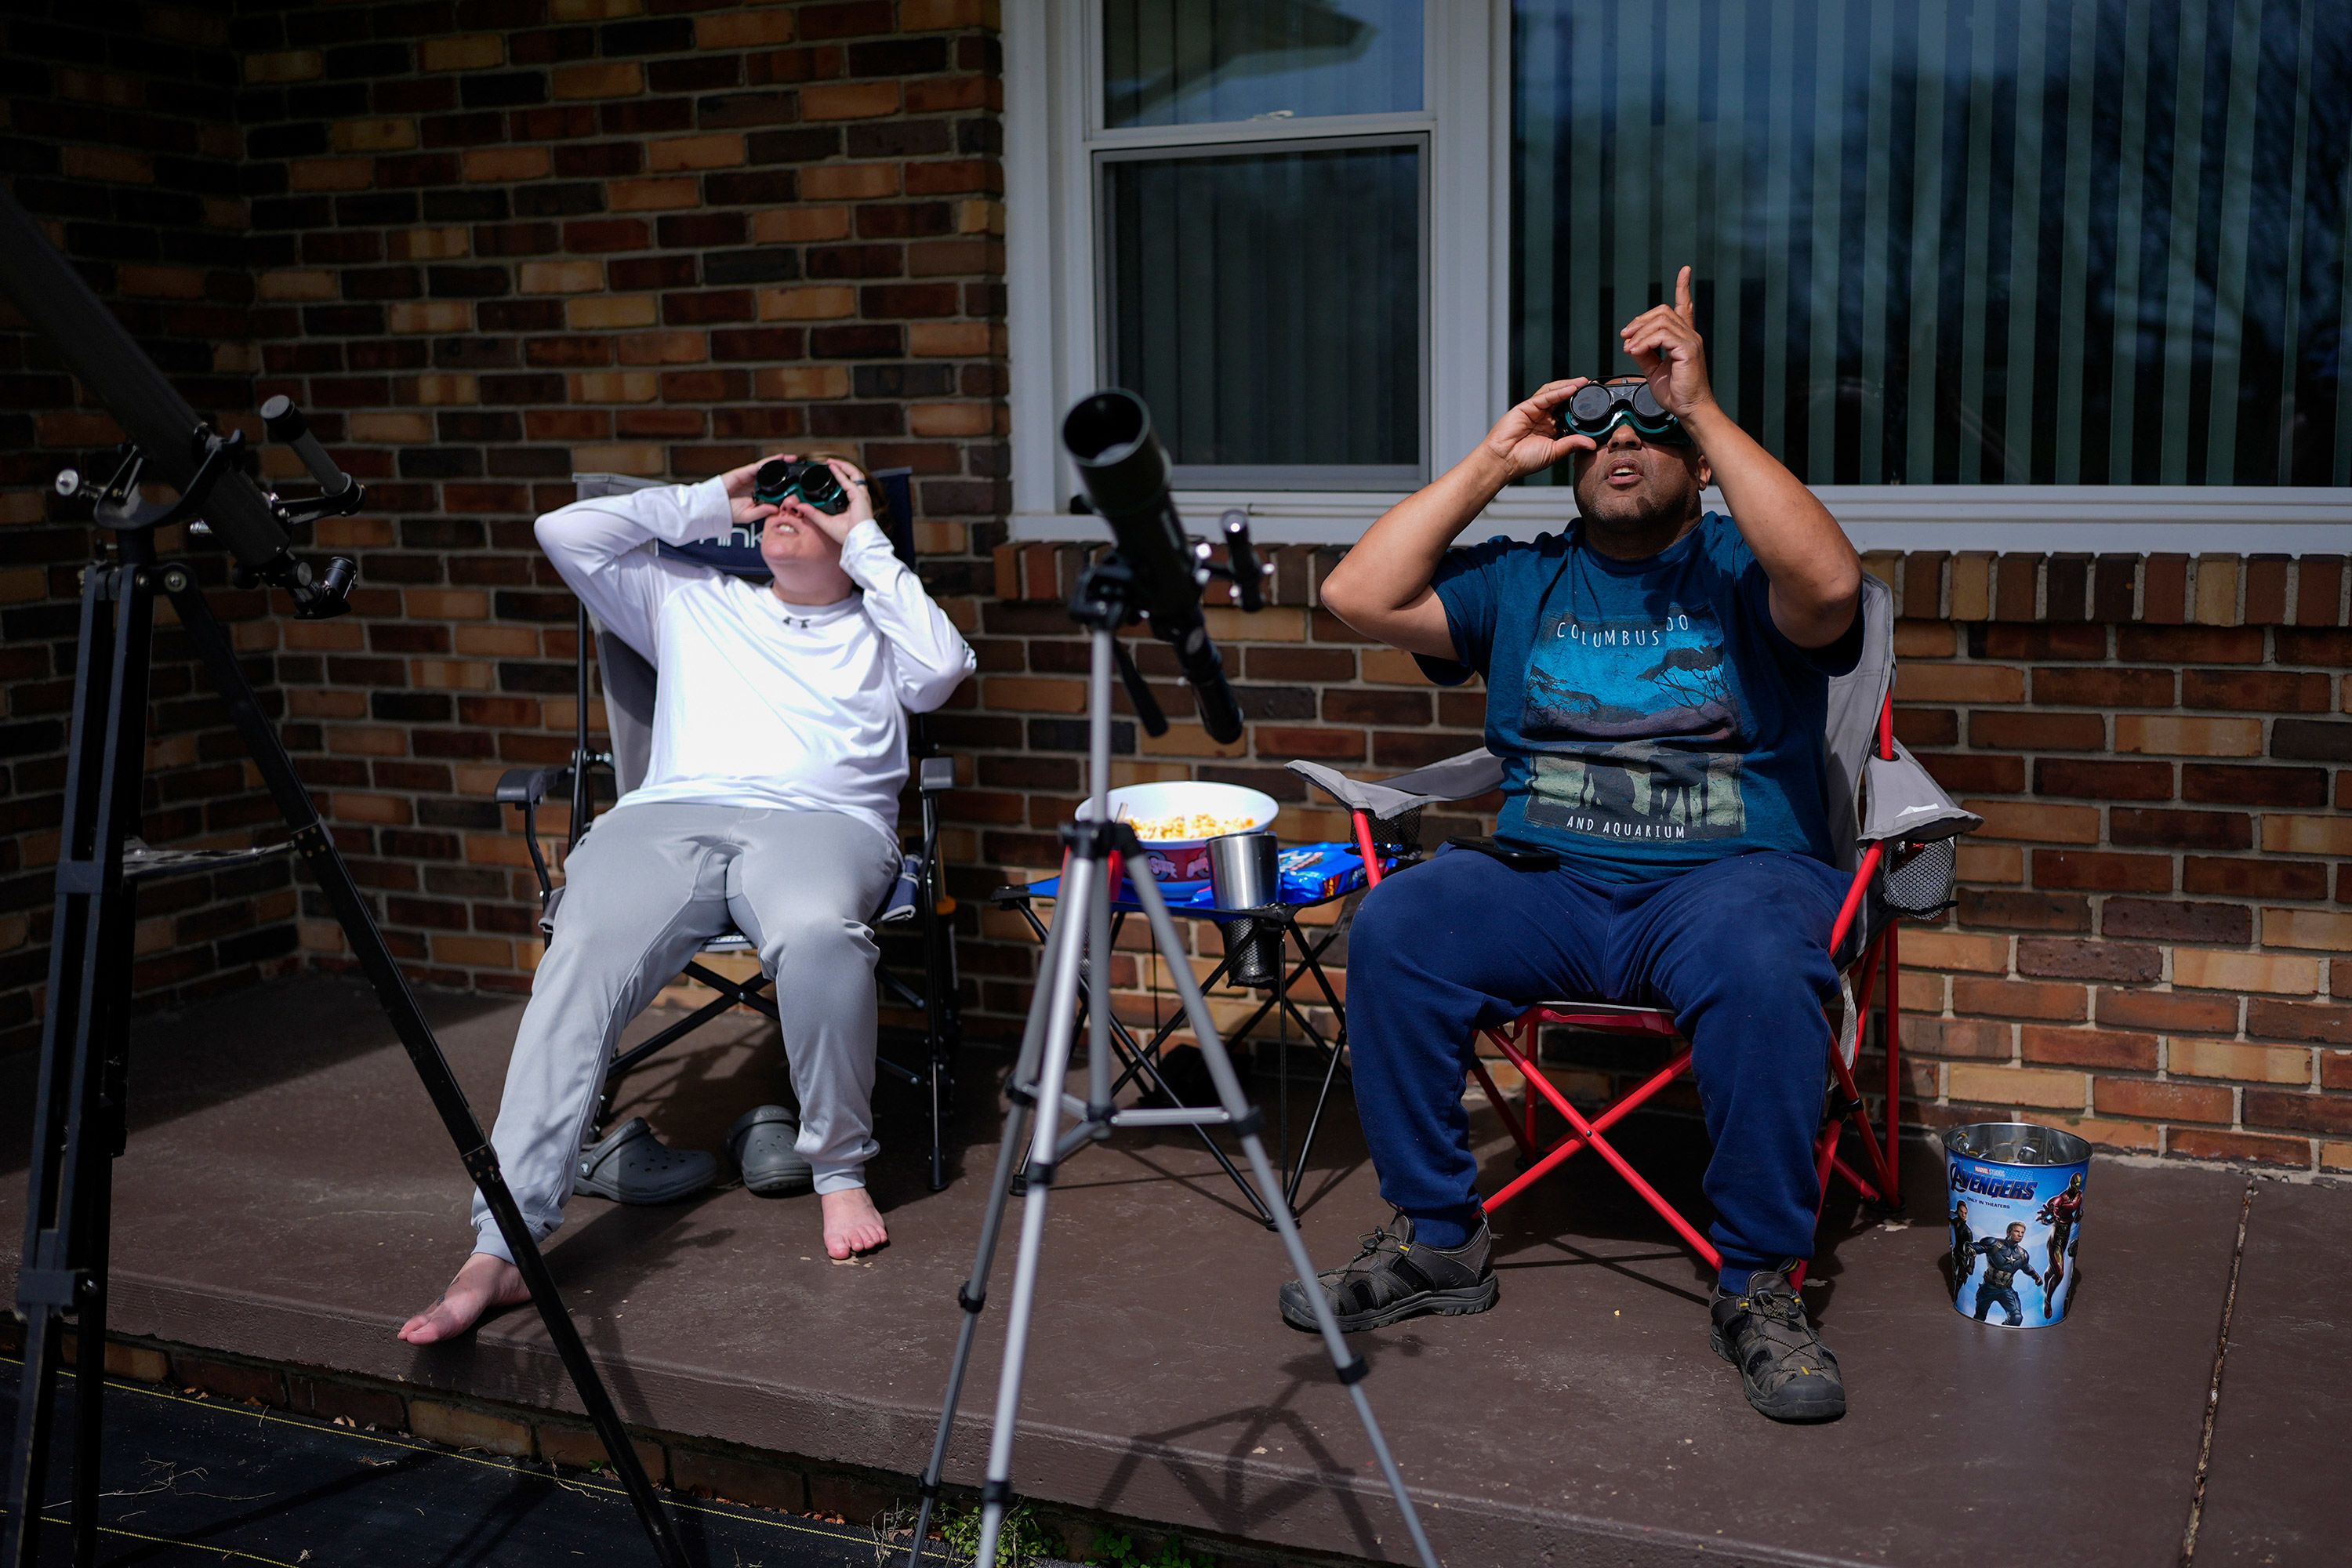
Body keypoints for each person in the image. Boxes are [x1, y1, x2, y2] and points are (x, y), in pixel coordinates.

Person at [1283, 267, 1867, 1423]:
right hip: (1548, 881)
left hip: (1728, 880)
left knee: (1762, 969)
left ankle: (1759, 1282)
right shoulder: (1522, 580)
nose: (1619, 437)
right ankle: (1443, 1242)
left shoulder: (1744, 571)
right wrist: (1495, 461)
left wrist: (1697, 403)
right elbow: (1355, 593)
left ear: (1697, 466)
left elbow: (1834, 584)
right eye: (1598, 422)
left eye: (1649, 425)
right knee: (1399, 922)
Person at [399, 453, 975, 1345]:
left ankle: (837, 1165)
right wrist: (717, 499)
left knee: (820, 932)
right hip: (667, 819)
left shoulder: (882, 625)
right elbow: (564, 531)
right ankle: (502, 1244)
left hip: (822, 825)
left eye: (817, 496)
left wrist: (862, 534)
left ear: (860, 532)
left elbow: (943, 669)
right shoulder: (688, 596)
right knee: (579, 956)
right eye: (777, 496)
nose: (790, 505)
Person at [1971, 1223, 2042, 1325]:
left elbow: (2026, 1267)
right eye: (2017, 1231)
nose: (2020, 1235)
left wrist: (2036, 1277)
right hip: (1988, 1288)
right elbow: (1977, 1247)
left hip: (2006, 1290)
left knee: (2017, 1318)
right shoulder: (1994, 1244)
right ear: (2009, 1232)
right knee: (1979, 1317)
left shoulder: (2022, 1254)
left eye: (2022, 1233)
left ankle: (2007, 1336)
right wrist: (1970, 1249)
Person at [2037, 1173, 2084, 1312]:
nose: (2076, 1188)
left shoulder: (2079, 1197)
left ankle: (2047, 1284)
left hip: (2066, 1238)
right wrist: (2050, 1216)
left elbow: (2075, 1217)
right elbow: (2049, 1214)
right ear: (2070, 1184)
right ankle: (2048, 1302)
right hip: (2055, 1241)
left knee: (2053, 1270)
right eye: (2074, 1184)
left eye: (2078, 1185)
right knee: (2059, 1273)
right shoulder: (2060, 1200)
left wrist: (2079, 1217)